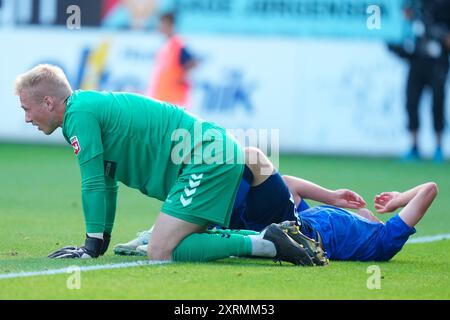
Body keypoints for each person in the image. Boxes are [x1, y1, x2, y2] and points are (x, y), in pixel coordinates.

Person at [14, 64, 315, 266]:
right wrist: (101, 237)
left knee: (160, 250)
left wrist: (90, 245)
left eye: (27, 108)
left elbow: (92, 181)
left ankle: (269, 243)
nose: (27, 118)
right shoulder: (83, 110)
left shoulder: (78, 115)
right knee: (168, 244)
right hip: (209, 153)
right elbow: (107, 181)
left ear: (49, 103)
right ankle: (273, 236)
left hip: (206, 157)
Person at [118, 147, 438, 262]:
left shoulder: (384, 242)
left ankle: (160, 228)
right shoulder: (341, 223)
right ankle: (162, 232)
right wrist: (333, 196)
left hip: (292, 230)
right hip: (288, 223)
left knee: (252, 160)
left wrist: (400, 199)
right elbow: (292, 189)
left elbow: (429, 189)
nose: (363, 212)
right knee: (233, 181)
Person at [389, 0, 450, 162]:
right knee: (412, 103)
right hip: (416, 63)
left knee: (437, 105)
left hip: (438, 64)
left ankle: (438, 148)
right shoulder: (414, 4)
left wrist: (442, 37)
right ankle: (414, 147)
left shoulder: (444, 6)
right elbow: (400, 30)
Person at [146, 12, 198, 108]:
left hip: (174, 98)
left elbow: (192, 62)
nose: (160, 27)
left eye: (163, 24)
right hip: (164, 96)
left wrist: (181, 76)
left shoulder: (177, 43)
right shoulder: (167, 44)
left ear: (171, 25)